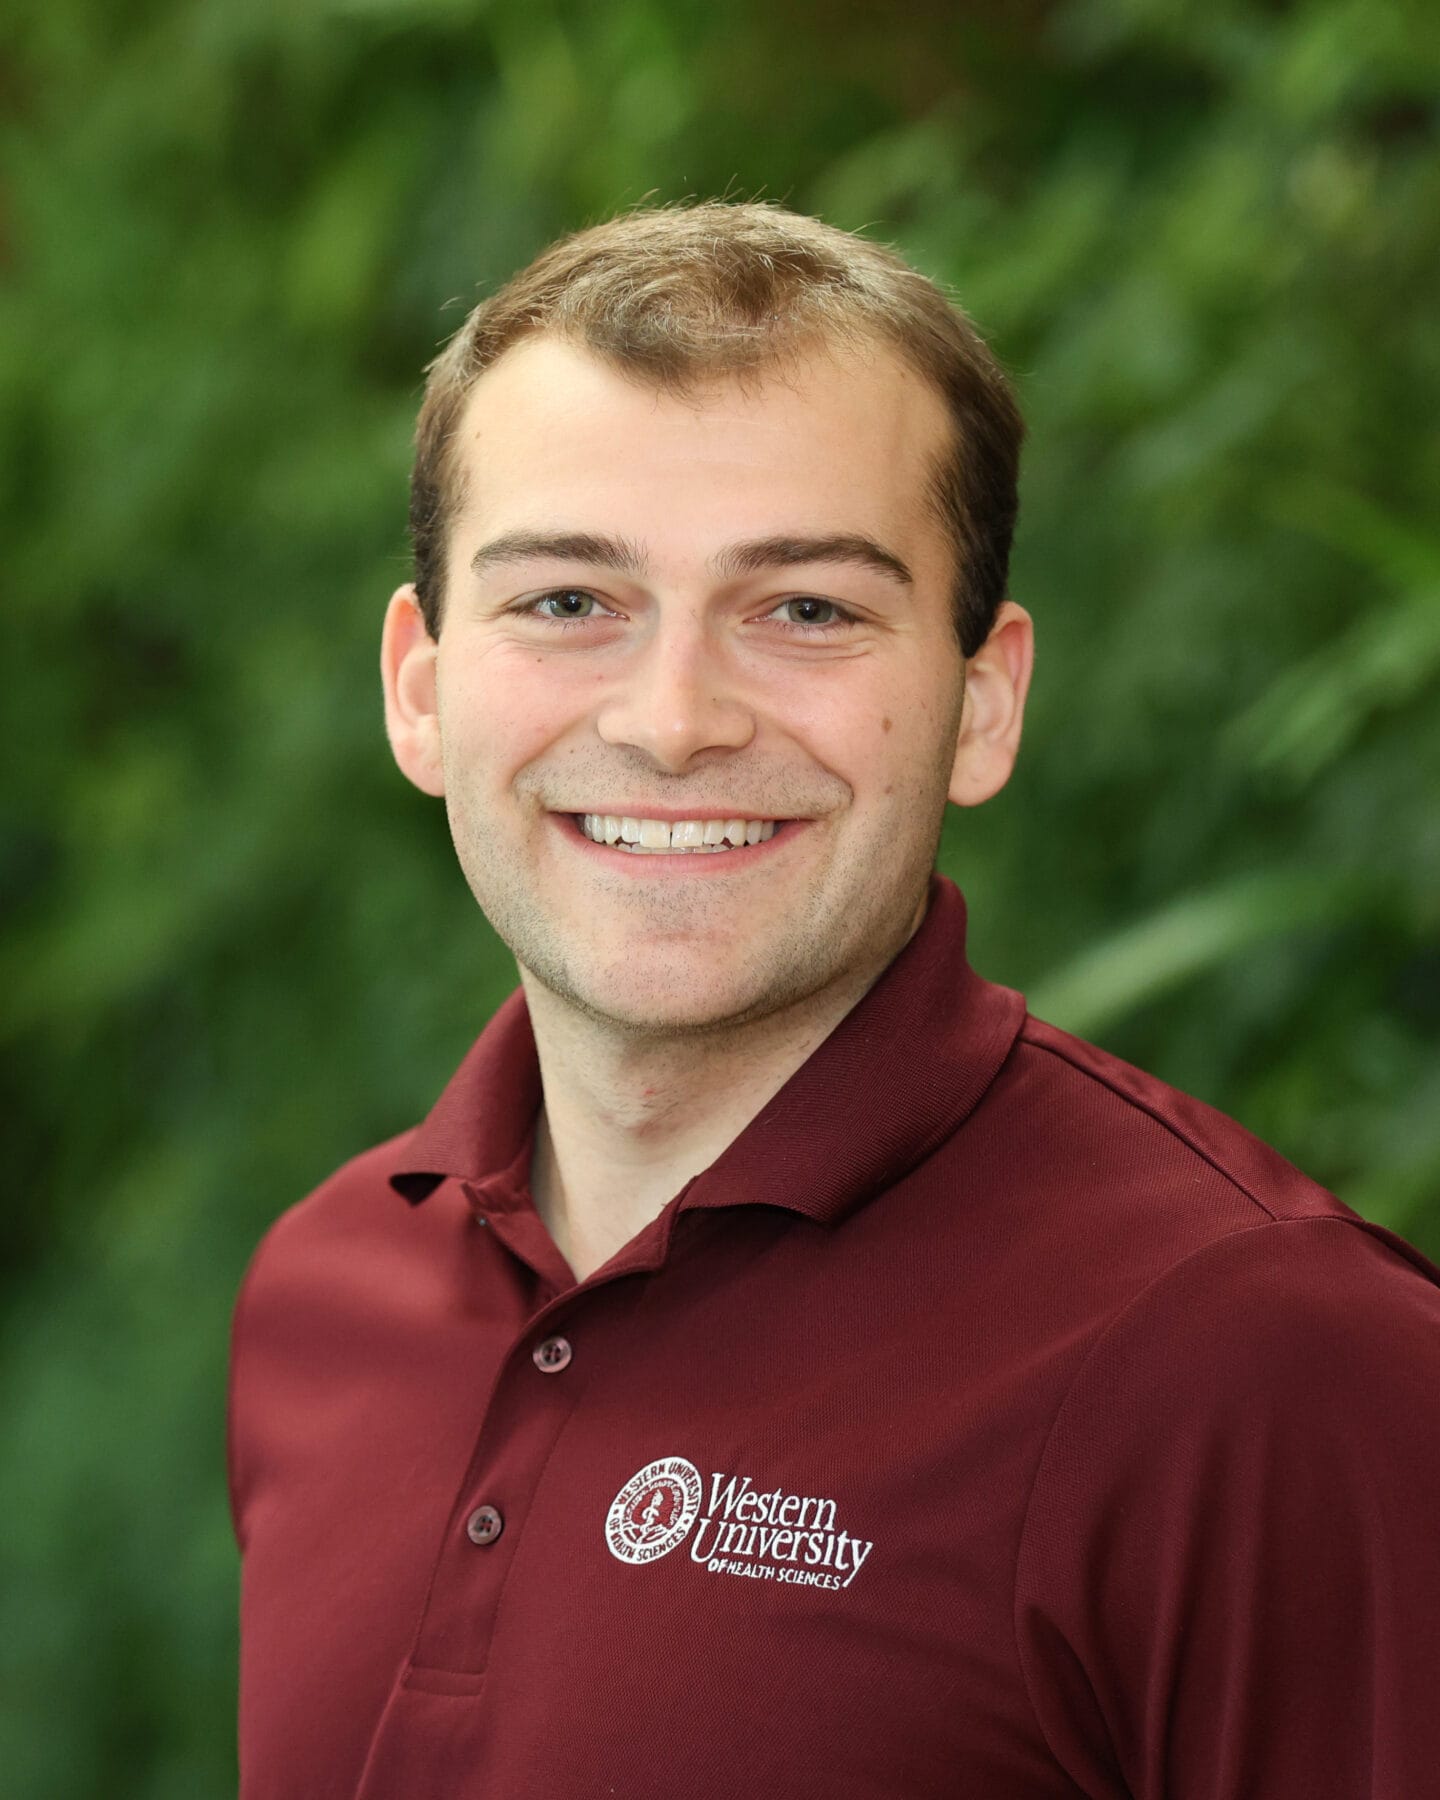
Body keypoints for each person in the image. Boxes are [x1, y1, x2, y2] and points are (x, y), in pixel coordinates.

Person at [228, 201, 1440, 1800]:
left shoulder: (1261, 1362)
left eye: (806, 608)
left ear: (983, 702)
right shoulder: (328, 1293)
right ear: (422, 690)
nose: (672, 723)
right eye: (568, 602)